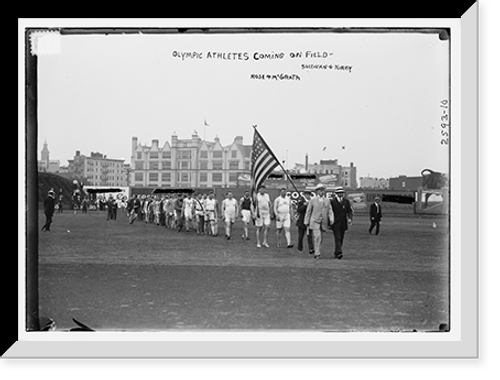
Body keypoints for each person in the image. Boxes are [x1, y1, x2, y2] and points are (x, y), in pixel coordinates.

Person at [304, 184, 334, 259]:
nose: (322, 192)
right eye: (320, 190)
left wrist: (331, 218)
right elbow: (308, 211)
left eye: (323, 190)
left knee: (320, 238)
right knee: (317, 237)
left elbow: (330, 210)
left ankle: (317, 250)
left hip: (323, 222)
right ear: (317, 191)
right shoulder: (313, 200)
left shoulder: (327, 200)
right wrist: (306, 221)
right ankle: (317, 253)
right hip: (315, 221)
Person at [330, 186, 353, 259]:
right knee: (337, 238)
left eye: (342, 193)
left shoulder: (346, 201)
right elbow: (330, 212)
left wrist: (349, 219)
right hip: (335, 222)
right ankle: (339, 252)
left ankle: (336, 252)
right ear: (337, 194)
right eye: (339, 193)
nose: (341, 194)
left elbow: (349, 211)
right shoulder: (333, 202)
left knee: (341, 238)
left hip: (343, 222)